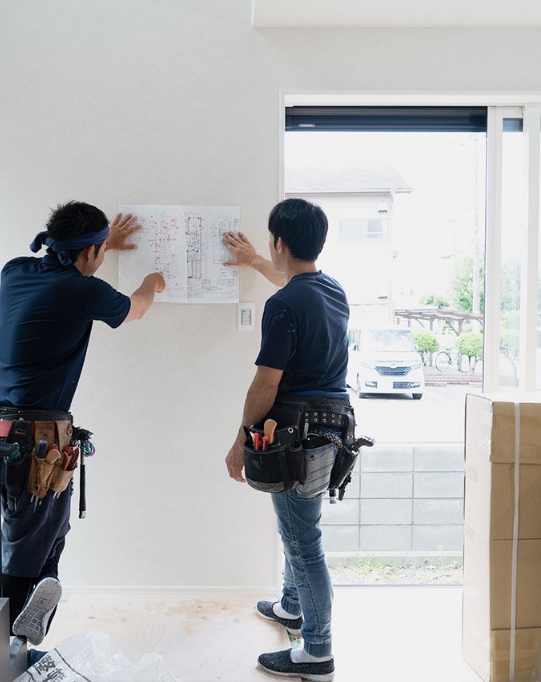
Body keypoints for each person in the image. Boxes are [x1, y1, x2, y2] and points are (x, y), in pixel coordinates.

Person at [0, 201, 165, 647]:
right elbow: (135, 309)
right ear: (89, 253)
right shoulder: (82, 290)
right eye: (102, 251)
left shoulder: (14, 271)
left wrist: (100, 244)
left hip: (2, 426)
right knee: (31, 539)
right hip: (42, 434)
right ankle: (8, 640)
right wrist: (150, 282)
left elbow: (60, 261)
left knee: (41, 529)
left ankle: (25, 619)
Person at [223, 198, 350, 682]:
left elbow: (265, 384)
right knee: (300, 527)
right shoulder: (331, 290)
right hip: (331, 430)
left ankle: (317, 652)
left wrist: (240, 440)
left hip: (294, 434)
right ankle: (293, 607)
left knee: (302, 541)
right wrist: (256, 260)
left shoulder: (283, 305)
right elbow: (292, 284)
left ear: (280, 241)